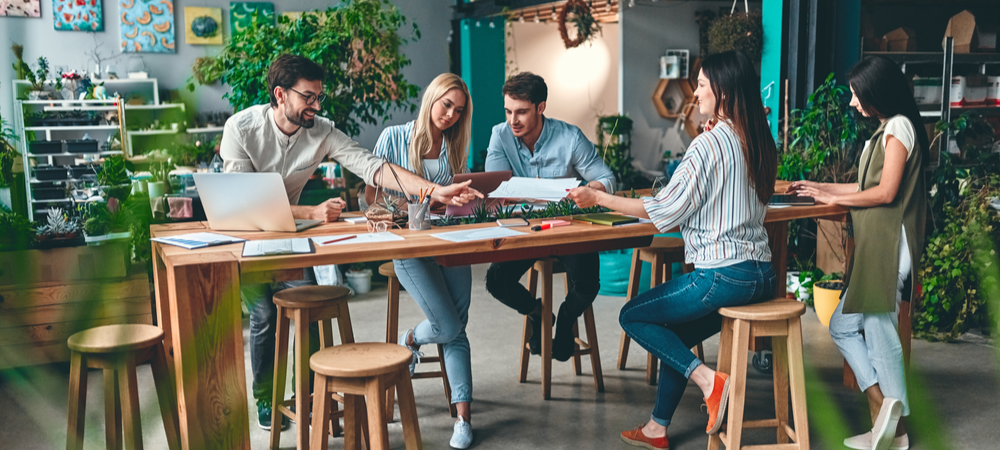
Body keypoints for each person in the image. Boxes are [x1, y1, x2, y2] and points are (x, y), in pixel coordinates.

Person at [220, 54, 482, 431]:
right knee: (263, 315)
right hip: (249, 234)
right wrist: (310, 214)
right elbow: (245, 201)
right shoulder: (241, 128)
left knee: (306, 307)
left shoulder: (322, 130)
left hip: (290, 237)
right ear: (280, 94)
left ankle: (308, 395)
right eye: (308, 97)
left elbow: (373, 167)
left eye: (319, 97)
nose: (316, 105)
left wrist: (434, 191)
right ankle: (267, 398)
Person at [566, 50, 777, 450]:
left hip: (723, 275)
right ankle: (657, 428)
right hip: (761, 276)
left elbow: (663, 213)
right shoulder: (760, 138)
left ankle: (709, 382)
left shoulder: (709, 144)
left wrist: (598, 200)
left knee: (633, 316)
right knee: (674, 334)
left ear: (724, 91)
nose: (695, 93)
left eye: (700, 85)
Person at [789, 56, 926, 450]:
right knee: (844, 325)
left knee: (880, 331)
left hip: (888, 247)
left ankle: (894, 429)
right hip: (876, 247)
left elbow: (886, 193)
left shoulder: (898, 126)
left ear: (876, 93)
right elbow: (867, 186)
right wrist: (821, 188)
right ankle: (885, 415)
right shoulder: (885, 130)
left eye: (856, 95)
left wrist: (827, 193)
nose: (852, 103)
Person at [366, 73, 476, 449]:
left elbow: (456, 200)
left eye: (458, 110)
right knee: (447, 325)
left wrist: (462, 200)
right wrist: (415, 203)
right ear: (431, 97)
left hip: (451, 242)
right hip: (409, 245)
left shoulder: (454, 145)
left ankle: (463, 419)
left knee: (456, 326)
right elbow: (371, 198)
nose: (450, 115)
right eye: (446, 104)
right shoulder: (393, 138)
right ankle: (410, 339)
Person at [483, 72, 616, 362]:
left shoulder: (569, 137)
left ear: (540, 107)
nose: (513, 120)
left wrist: (587, 191)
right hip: (525, 230)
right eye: (508, 111)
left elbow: (607, 178)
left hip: (567, 227)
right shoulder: (500, 135)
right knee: (496, 281)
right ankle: (538, 312)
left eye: (521, 112)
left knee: (588, 285)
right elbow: (496, 189)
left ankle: (566, 319)